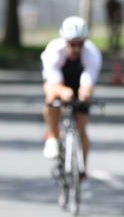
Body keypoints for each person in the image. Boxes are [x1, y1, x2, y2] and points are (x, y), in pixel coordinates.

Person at [41, 16, 102, 173]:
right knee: (51, 97)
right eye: (72, 44)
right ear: (64, 40)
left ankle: (83, 168)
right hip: (59, 82)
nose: (76, 48)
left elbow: (88, 79)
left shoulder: (92, 53)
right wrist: (62, 91)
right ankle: (53, 137)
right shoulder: (54, 50)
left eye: (80, 44)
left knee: (82, 126)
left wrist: (85, 92)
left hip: (78, 82)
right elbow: (53, 80)